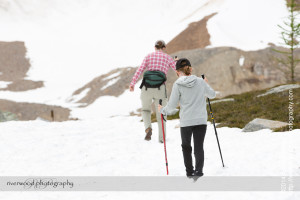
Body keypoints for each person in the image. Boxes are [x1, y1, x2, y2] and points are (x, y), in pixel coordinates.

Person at [158, 58, 216, 178]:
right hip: (201, 120)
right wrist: (206, 83)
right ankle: (199, 172)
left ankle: (189, 172)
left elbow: (172, 105)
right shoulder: (200, 81)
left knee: (186, 147)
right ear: (190, 68)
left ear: (178, 72)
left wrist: (162, 110)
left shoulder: (178, 84)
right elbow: (212, 94)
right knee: (199, 147)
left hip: (186, 122)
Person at [129, 40, 177, 143]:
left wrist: (132, 83)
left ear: (154, 47)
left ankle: (148, 128)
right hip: (160, 89)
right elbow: (177, 70)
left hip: (146, 88)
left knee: (146, 110)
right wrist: (176, 61)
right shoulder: (167, 58)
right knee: (161, 113)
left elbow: (140, 70)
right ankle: (161, 138)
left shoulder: (148, 56)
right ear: (164, 48)